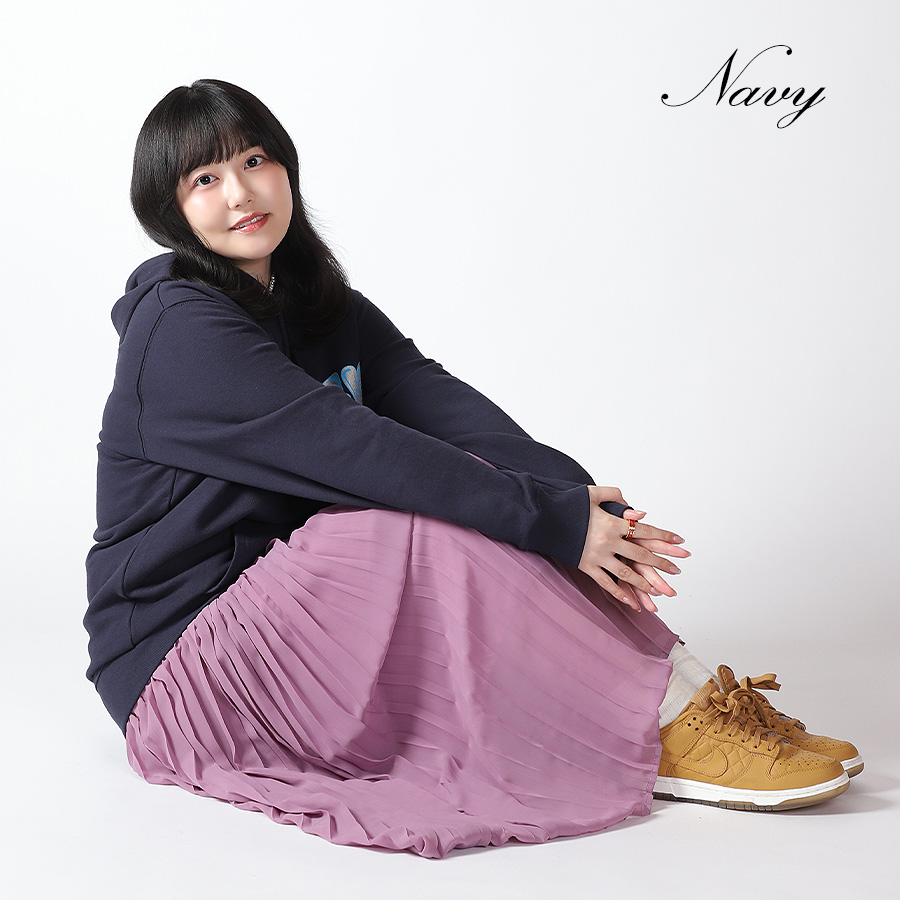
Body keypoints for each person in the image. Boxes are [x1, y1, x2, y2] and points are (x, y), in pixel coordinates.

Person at [85, 79, 861, 858]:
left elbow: (446, 409)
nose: (241, 193)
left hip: (295, 618)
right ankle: (663, 731)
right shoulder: (180, 329)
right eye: (205, 178)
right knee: (411, 516)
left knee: (491, 490)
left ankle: (695, 699)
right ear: (169, 208)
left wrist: (578, 507)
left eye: (255, 161)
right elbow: (358, 450)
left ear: (286, 167)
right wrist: (551, 520)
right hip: (185, 664)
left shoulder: (317, 301)